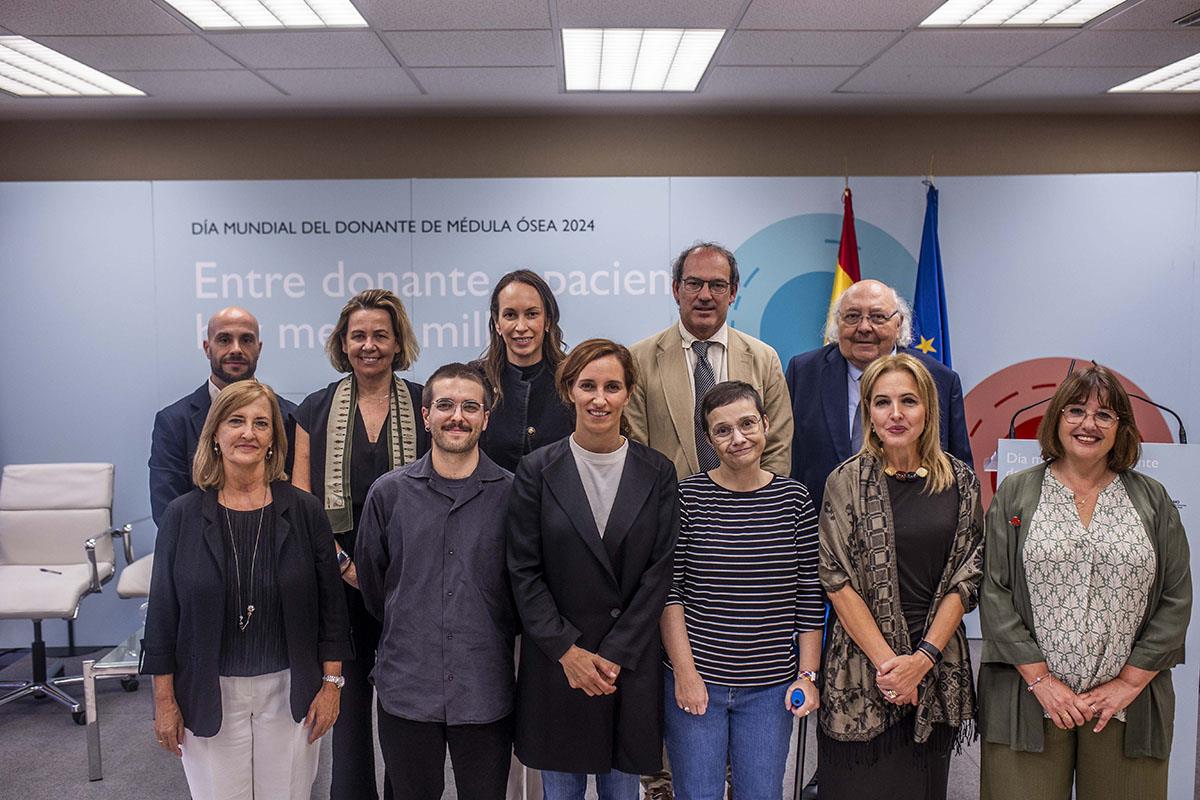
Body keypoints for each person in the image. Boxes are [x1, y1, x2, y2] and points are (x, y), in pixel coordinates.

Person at [978, 364, 1191, 800]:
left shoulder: (1152, 500)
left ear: (1121, 429)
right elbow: (994, 589)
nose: (1088, 424)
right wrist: (1042, 681)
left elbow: (1175, 597)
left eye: (1104, 415)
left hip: (1126, 707)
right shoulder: (1016, 493)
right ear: (1057, 418)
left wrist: (1128, 683)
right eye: (1075, 411)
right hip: (1029, 699)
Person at [142, 380, 351, 800]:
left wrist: (332, 685)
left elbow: (332, 609)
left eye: (261, 423)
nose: (248, 433)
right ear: (215, 434)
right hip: (207, 690)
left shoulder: (305, 511)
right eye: (236, 421)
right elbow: (163, 616)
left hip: (291, 690)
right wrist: (164, 701)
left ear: (274, 439)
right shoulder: (181, 516)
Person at [507, 338, 679, 800]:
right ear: (570, 391)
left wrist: (615, 654)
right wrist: (568, 652)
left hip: (626, 666)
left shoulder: (658, 472)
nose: (599, 398)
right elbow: (524, 571)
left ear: (628, 393)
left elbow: (659, 572)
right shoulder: (536, 470)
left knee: (622, 790)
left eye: (612, 386)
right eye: (588, 386)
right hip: (559, 665)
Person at [817, 353, 982, 800]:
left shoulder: (961, 482)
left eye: (908, 401)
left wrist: (921, 662)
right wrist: (892, 670)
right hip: (861, 671)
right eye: (882, 401)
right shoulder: (845, 481)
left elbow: (967, 576)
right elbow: (835, 579)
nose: (895, 414)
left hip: (935, 665)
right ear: (867, 411)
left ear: (928, 408)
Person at [292, 289, 430, 800]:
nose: (368, 345)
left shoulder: (424, 403)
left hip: (409, 581)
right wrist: (345, 564)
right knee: (345, 713)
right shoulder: (313, 409)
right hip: (336, 581)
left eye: (380, 335)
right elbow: (303, 505)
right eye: (358, 336)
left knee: (403, 711)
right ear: (342, 343)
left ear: (398, 343)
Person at [355, 363, 516, 800]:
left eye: (469, 406)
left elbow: (521, 593)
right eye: (444, 405)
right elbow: (375, 588)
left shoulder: (514, 496)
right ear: (425, 415)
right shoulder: (388, 495)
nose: (456, 416)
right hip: (407, 689)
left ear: (485, 417)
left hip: (484, 688)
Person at [661, 380, 824, 800]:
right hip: (699, 682)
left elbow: (808, 593)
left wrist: (808, 674)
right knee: (697, 793)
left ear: (766, 424)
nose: (738, 438)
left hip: (770, 688)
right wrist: (685, 673)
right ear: (709, 439)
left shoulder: (794, 499)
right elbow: (670, 593)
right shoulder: (687, 497)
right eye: (722, 430)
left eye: (747, 423)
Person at [785, 279, 972, 512]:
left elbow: (959, 467)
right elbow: (788, 459)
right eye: (852, 316)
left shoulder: (939, 379)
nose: (864, 327)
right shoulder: (803, 373)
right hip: (821, 529)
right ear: (837, 323)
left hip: (915, 527)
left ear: (899, 323)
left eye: (877, 317)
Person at [627, 242, 793, 480]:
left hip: (748, 510)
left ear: (733, 292)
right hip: (669, 509)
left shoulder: (764, 359)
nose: (705, 296)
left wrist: (759, 504)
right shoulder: (639, 359)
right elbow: (637, 451)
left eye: (717, 285)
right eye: (694, 284)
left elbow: (778, 446)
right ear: (676, 289)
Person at [149, 306, 297, 526]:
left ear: (259, 348)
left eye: (246, 340)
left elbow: (296, 503)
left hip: (275, 549)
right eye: (224, 340)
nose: (236, 349)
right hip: (200, 553)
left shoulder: (290, 417)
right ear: (207, 348)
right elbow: (167, 513)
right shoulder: (173, 422)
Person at [475, 269, 574, 472]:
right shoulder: (475, 381)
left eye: (531, 314)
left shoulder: (572, 378)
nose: (521, 326)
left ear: (547, 321)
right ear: (497, 323)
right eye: (510, 315)